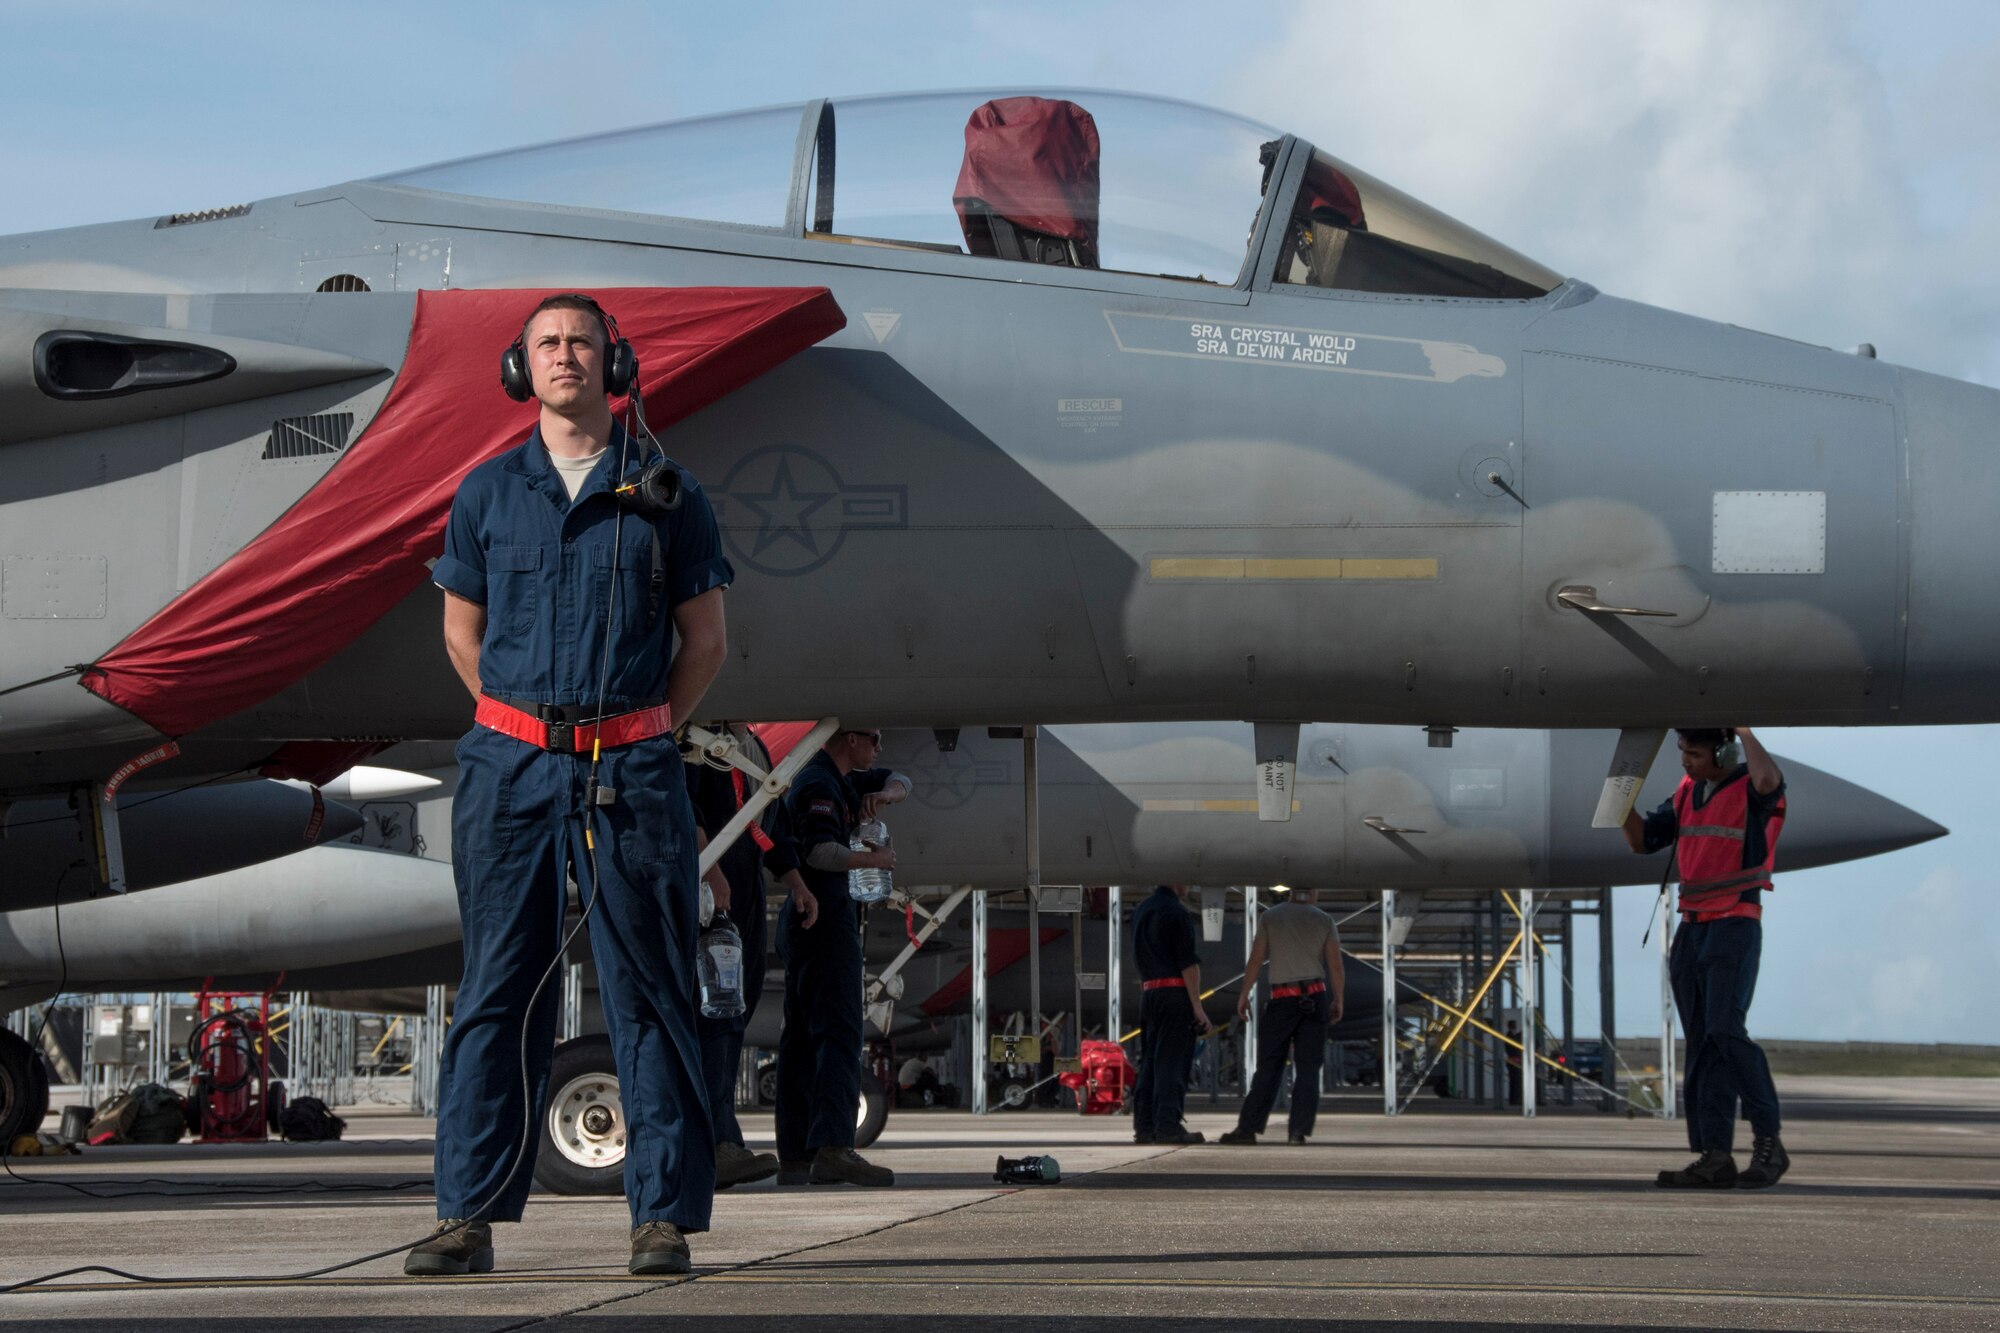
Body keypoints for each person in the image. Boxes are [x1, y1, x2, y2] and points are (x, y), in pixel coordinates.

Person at [415, 293, 733, 1277]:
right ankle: (464, 1214)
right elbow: (459, 632)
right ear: (522, 369)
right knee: (494, 991)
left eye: (580, 343)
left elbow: (706, 643)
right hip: (508, 770)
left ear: (614, 363)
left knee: (649, 990)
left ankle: (661, 1217)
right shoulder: (485, 493)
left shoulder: (667, 492)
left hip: (630, 769)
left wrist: (631, 732)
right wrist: (526, 722)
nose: (562, 357)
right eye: (545, 344)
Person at [1624, 726, 1790, 1190]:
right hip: (1693, 929)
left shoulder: (1753, 788)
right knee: (1702, 1040)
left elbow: (1766, 781)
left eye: (1693, 753)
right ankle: (1715, 1156)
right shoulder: (1686, 790)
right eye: (1682, 752)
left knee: (1724, 1030)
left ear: (1726, 751)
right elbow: (1642, 841)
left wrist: (1743, 728)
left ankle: (1769, 1142)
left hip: (1734, 923)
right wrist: (1618, 804)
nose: (1684, 761)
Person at [774, 727, 910, 1186]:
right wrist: (876, 861)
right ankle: (833, 1147)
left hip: (806, 919)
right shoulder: (819, 783)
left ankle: (795, 1155)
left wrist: (886, 795)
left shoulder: (841, 779)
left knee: (801, 1040)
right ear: (850, 738)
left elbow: (900, 779)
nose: (878, 747)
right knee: (840, 1031)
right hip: (823, 918)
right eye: (874, 739)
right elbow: (819, 852)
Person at [688, 723, 820, 1189]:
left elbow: (770, 821)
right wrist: (709, 871)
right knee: (713, 1020)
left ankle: (720, 1142)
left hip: (743, 899)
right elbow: (690, 810)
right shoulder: (697, 740)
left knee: (732, 1014)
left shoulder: (750, 747)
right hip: (710, 898)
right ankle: (719, 1143)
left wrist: (796, 883)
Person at [1219, 887, 1344, 1146]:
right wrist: (1339, 998)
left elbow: (1256, 959)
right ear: (1312, 892)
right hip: (1315, 995)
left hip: (1282, 998)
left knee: (1269, 1066)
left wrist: (1244, 994)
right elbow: (1334, 964)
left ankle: (1248, 1128)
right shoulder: (1324, 919)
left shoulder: (1271, 917)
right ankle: (1298, 1132)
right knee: (1308, 1068)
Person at [1129, 884, 1212, 1145]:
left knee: (1150, 1061)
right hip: (1174, 994)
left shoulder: (1141, 910)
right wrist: (1197, 1008)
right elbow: (1188, 963)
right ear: (1175, 882)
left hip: (1149, 993)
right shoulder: (1177, 912)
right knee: (1172, 1062)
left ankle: (1144, 1127)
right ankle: (1168, 1126)